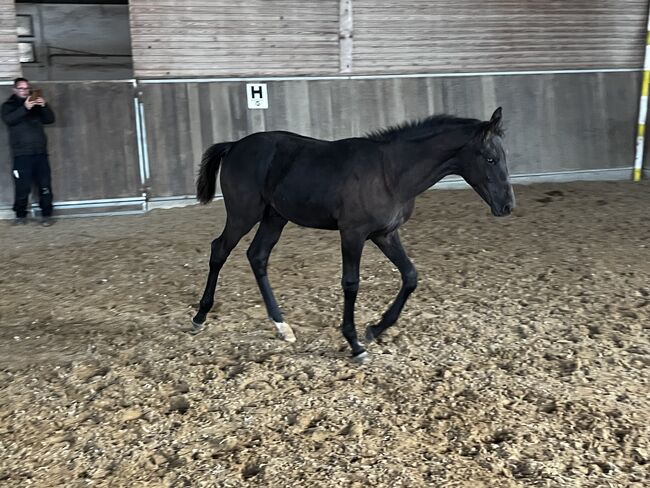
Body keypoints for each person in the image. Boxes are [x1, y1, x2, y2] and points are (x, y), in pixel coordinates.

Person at [1, 77, 56, 226]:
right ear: (15, 90)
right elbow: (9, 120)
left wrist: (44, 106)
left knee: (44, 185)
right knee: (22, 186)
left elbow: (50, 119)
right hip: (21, 154)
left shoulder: (37, 104)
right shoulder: (8, 106)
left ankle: (46, 215)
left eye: (27, 88)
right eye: (21, 88)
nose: (25, 91)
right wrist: (25, 107)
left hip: (40, 153)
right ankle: (20, 215)